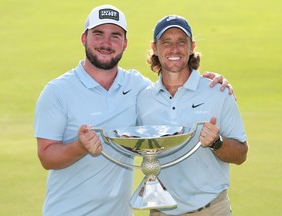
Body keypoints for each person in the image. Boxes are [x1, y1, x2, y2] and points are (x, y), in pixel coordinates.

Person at [34, 4, 234, 216]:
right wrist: (79, 147)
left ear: (125, 43)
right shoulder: (57, 91)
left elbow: (171, 90)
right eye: (98, 34)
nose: (106, 43)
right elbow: (46, 157)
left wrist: (210, 82)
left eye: (115, 36)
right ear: (84, 39)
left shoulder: (137, 86)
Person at [136, 15, 249, 216]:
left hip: (212, 210)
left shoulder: (217, 92)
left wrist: (217, 142)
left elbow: (241, 154)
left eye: (181, 42)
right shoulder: (143, 99)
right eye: (166, 42)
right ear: (155, 48)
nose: (174, 49)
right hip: (161, 211)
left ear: (191, 47)